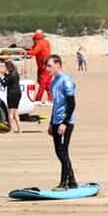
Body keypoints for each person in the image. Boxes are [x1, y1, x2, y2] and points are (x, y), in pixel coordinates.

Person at [46, 55, 78, 191]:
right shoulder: (54, 82)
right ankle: (72, 181)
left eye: (50, 66)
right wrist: (51, 123)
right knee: (59, 152)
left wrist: (64, 123)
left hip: (66, 121)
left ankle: (64, 183)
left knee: (63, 152)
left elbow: (71, 104)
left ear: (58, 65)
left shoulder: (66, 81)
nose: (47, 69)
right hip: (56, 121)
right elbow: (56, 104)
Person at [28, 30, 53, 102]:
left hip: (46, 67)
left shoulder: (40, 44)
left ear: (36, 38)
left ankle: (38, 99)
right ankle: (51, 98)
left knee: (42, 83)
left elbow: (33, 52)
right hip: (42, 67)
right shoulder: (45, 42)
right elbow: (33, 50)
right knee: (45, 83)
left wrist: (25, 52)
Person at [0, 60, 22, 133]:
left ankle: (12, 129)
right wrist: (5, 74)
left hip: (11, 93)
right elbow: (10, 79)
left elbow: (4, 84)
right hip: (18, 92)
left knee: (10, 112)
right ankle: (19, 128)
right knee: (16, 111)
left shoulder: (11, 74)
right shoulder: (16, 73)